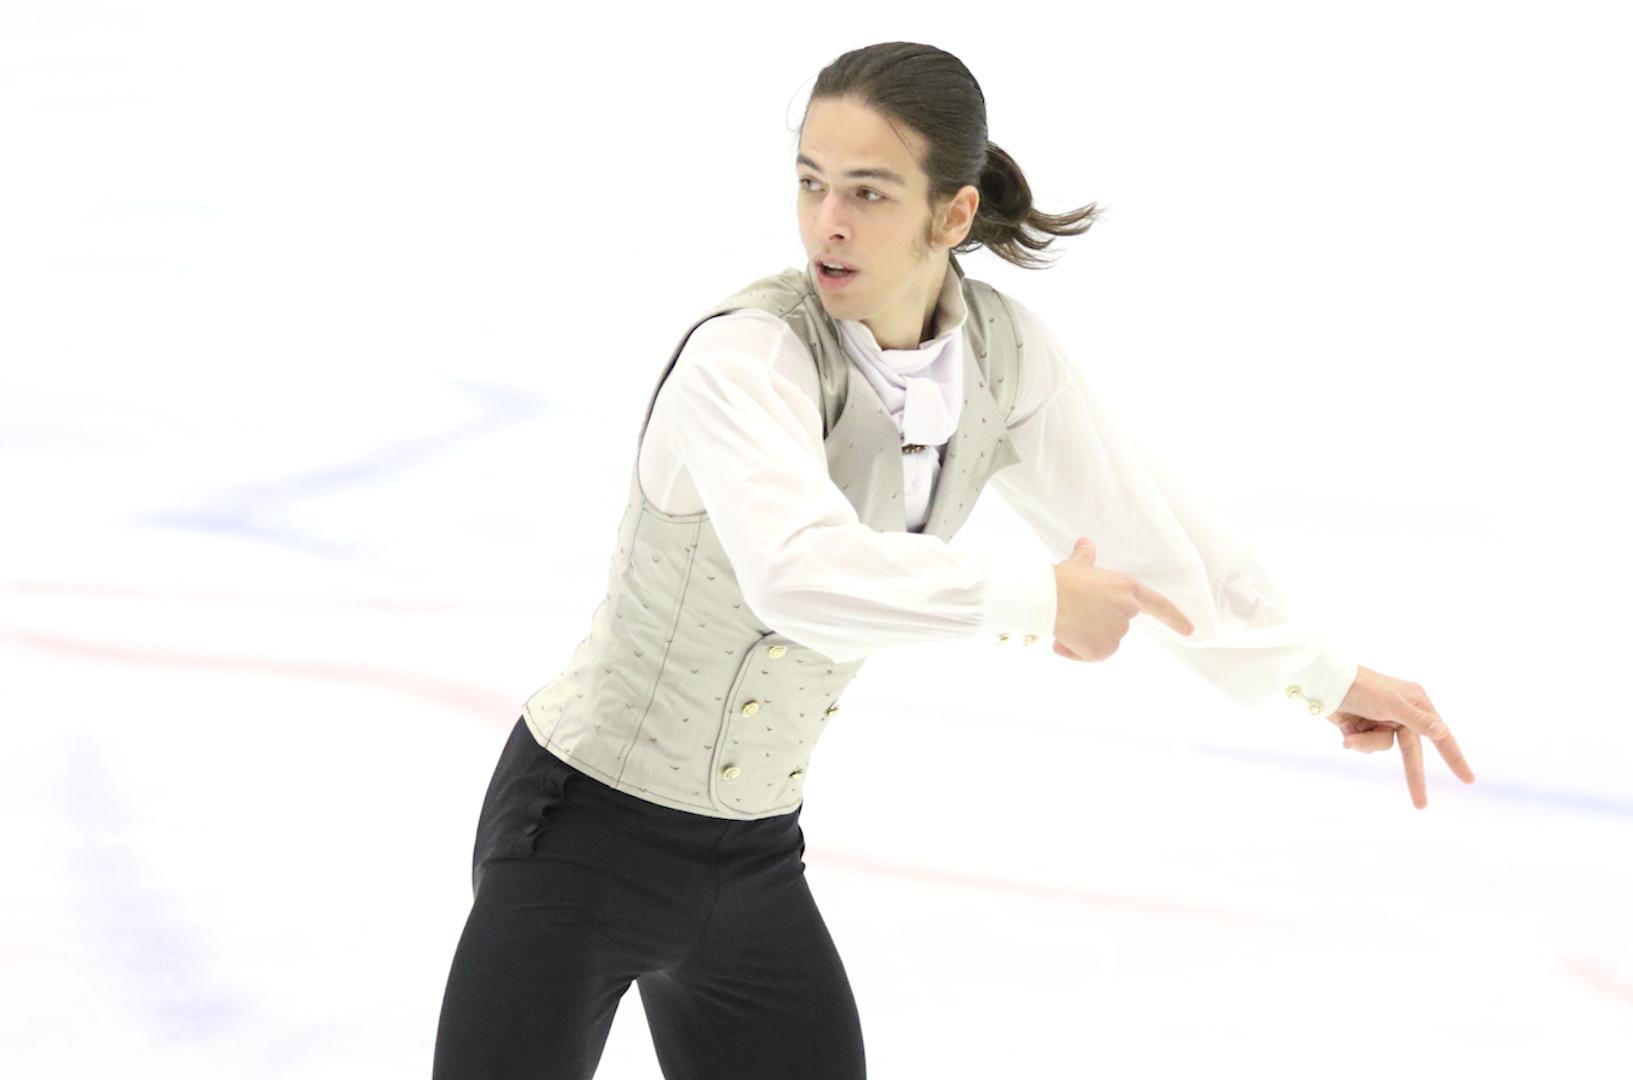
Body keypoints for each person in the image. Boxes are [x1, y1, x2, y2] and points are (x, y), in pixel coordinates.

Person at [432, 40, 1475, 1080]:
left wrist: (1323, 676)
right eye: (811, 183)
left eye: (869, 193)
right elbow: (798, 575)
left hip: (749, 860)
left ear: (954, 214)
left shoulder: (1002, 357)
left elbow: (1156, 539)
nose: (828, 223)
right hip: (576, 839)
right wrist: (1035, 601)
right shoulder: (745, 355)